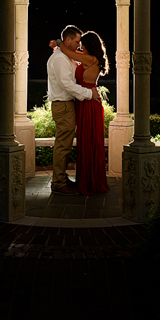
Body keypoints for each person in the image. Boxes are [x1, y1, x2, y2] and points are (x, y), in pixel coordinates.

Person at [46, 25, 100, 195]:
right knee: (63, 145)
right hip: (63, 104)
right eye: (77, 41)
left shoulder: (67, 57)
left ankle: (61, 178)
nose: (79, 45)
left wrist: (58, 43)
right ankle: (58, 183)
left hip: (70, 104)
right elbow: (66, 84)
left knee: (66, 145)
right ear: (68, 40)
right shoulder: (61, 59)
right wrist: (89, 94)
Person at [56, 30, 111, 196]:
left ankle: (90, 182)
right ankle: (88, 179)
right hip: (85, 101)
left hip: (88, 104)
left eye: (82, 44)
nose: (80, 47)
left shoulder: (90, 59)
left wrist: (59, 43)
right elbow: (73, 54)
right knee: (86, 141)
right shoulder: (90, 58)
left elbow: (68, 51)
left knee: (89, 141)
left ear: (88, 45)